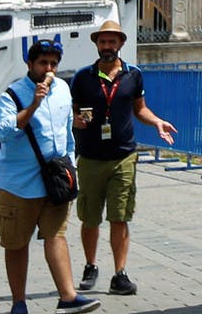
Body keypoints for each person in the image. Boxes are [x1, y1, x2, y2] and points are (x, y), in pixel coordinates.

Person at [0, 34, 100, 314]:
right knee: (16, 243)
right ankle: (18, 303)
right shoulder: (13, 94)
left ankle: (67, 298)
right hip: (18, 182)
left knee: (56, 235)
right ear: (30, 63)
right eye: (43, 63)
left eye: (53, 63)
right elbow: (0, 132)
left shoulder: (64, 89)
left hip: (54, 179)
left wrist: (70, 167)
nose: (48, 69)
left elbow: (66, 132)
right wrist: (32, 108)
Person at [68, 17, 176, 296]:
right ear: (97, 44)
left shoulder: (133, 74)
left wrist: (157, 122)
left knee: (120, 216)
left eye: (112, 42)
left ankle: (120, 273)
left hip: (124, 156)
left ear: (121, 44)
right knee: (90, 217)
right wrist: (75, 122)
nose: (107, 46)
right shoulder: (82, 77)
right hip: (90, 156)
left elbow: (140, 109)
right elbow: (72, 112)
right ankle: (90, 266)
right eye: (103, 42)